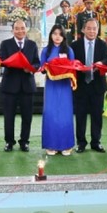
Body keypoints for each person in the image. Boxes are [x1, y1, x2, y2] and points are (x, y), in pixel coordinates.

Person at [0, 19, 40, 152]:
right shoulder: (5, 44)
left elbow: (37, 63)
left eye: (22, 28)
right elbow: (2, 61)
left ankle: (24, 141)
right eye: (17, 28)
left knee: (27, 116)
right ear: (12, 30)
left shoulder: (32, 44)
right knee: (9, 116)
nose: (20, 31)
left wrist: (31, 68)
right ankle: (9, 142)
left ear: (26, 29)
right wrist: (13, 62)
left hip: (27, 86)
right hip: (10, 85)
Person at [71, 18, 107, 153]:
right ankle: (81, 143)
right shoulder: (75, 45)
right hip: (81, 84)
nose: (92, 31)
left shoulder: (102, 44)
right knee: (80, 115)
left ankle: (96, 142)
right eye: (89, 28)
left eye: (94, 28)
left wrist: (100, 63)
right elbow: (72, 62)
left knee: (97, 115)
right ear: (83, 29)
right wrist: (79, 67)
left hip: (97, 85)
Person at [40, 24, 76, 156]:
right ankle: (51, 144)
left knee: (64, 114)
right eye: (54, 33)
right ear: (50, 35)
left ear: (64, 36)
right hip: (51, 86)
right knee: (51, 113)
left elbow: (73, 68)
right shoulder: (46, 50)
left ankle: (66, 145)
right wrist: (45, 68)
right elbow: (41, 67)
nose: (57, 36)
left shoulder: (69, 51)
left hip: (65, 87)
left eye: (60, 34)